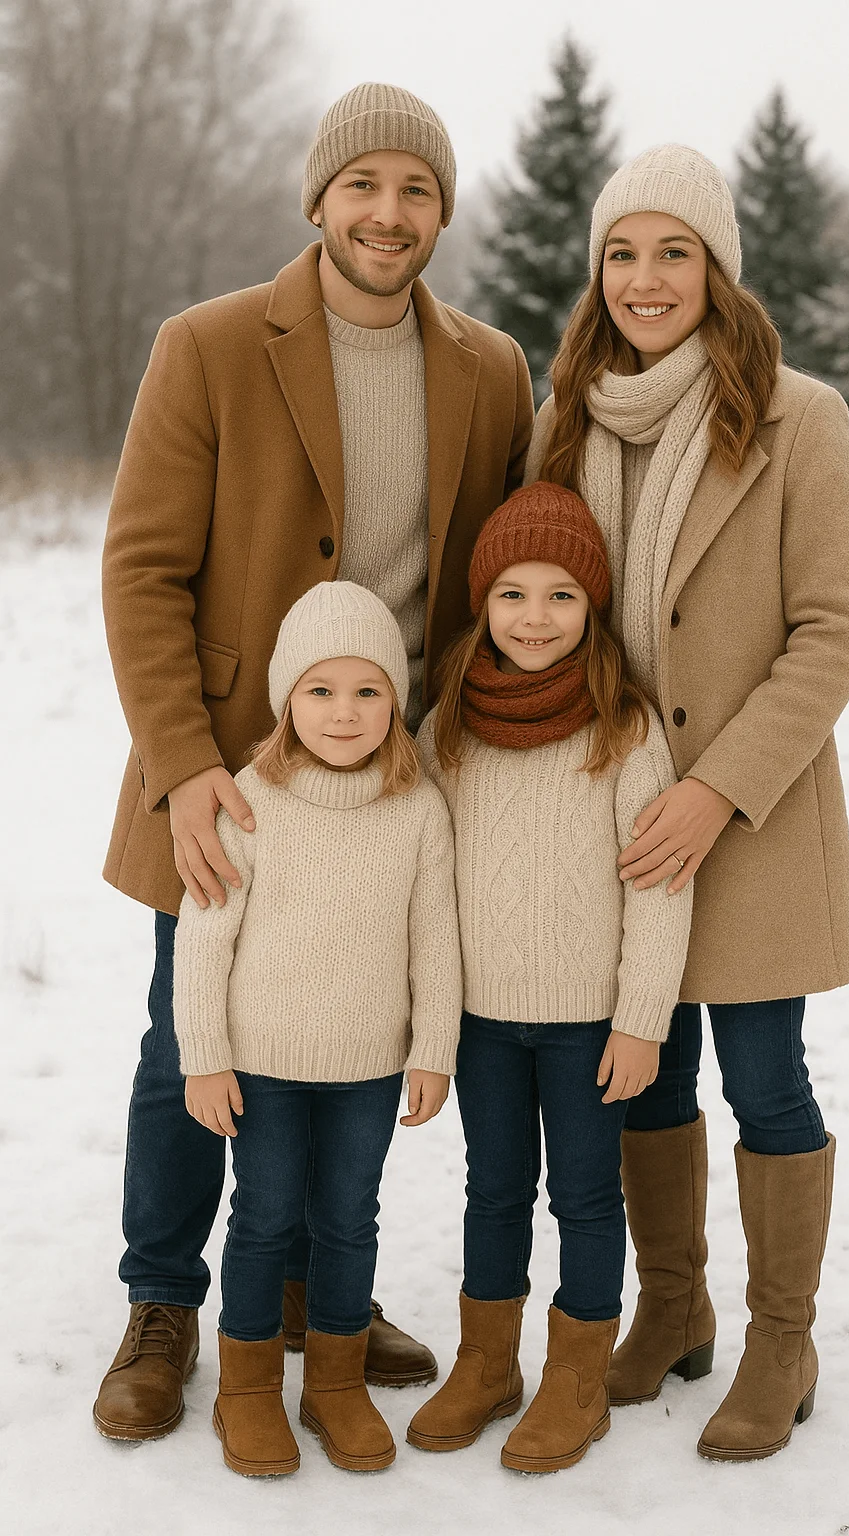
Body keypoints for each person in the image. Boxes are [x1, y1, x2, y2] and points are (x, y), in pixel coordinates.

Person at [95, 81, 533, 1442]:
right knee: (191, 1040)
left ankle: (304, 1296)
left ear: (441, 215)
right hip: (230, 770)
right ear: (320, 200)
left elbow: (482, 590)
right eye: (364, 188)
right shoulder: (212, 346)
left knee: (345, 1042)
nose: (388, 215)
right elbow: (143, 568)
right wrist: (182, 766)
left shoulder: (490, 369)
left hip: (388, 785)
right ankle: (165, 1302)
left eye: (416, 192)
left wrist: (448, 750)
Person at [526, 145, 849, 1462]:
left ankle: (784, 1339)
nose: (647, 279)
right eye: (623, 252)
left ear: (717, 270)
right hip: (613, 823)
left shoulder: (801, 416)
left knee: (764, 1074)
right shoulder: (564, 419)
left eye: (675, 252)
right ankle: (674, 1303)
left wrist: (718, 789)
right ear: (596, 271)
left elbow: (833, 629)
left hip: (755, 819)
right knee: (644, 1065)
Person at [406, 483, 692, 1473]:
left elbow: (660, 890)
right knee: (493, 1191)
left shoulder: (625, 728)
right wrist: (428, 1031)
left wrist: (641, 1019)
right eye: (514, 594)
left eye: (562, 596)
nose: (535, 618)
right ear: (481, 603)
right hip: (482, 1024)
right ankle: (488, 1363)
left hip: (587, 1025)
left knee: (582, 1196)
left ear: (594, 608)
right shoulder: (446, 727)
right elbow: (419, 886)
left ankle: (577, 1373)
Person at [174, 581, 461, 1477]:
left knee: (349, 1220)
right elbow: (203, 939)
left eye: (369, 691)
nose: (345, 713)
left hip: (369, 1068)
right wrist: (205, 1060)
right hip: (260, 1065)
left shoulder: (417, 809)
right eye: (321, 691)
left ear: (397, 701)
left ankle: (335, 1383)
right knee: (261, 1219)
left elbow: (435, 941)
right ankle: (246, 1386)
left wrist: (433, 1050)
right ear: (287, 699)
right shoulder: (250, 801)